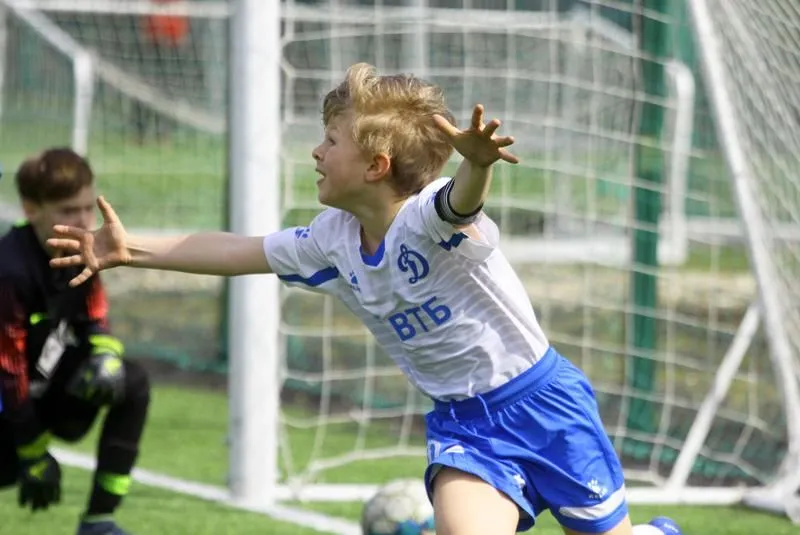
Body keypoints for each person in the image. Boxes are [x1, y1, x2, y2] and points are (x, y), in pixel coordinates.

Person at [47, 64, 679, 535]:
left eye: (330, 140)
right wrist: (130, 249)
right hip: (465, 427)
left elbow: (461, 201)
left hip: (543, 406)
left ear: (376, 165)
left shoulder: (425, 219)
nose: (316, 152)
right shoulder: (332, 238)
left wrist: (478, 163)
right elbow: (240, 251)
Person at [0, 148, 151, 535]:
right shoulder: (10, 270)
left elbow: (95, 318)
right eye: (68, 211)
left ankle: (99, 522)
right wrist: (33, 452)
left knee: (132, 381)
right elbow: (7, 372)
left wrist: (105, 355)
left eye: (87, 208)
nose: (83, 221)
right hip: (7, 410)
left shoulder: (81, 252)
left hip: (44, 394)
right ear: (31, 209)